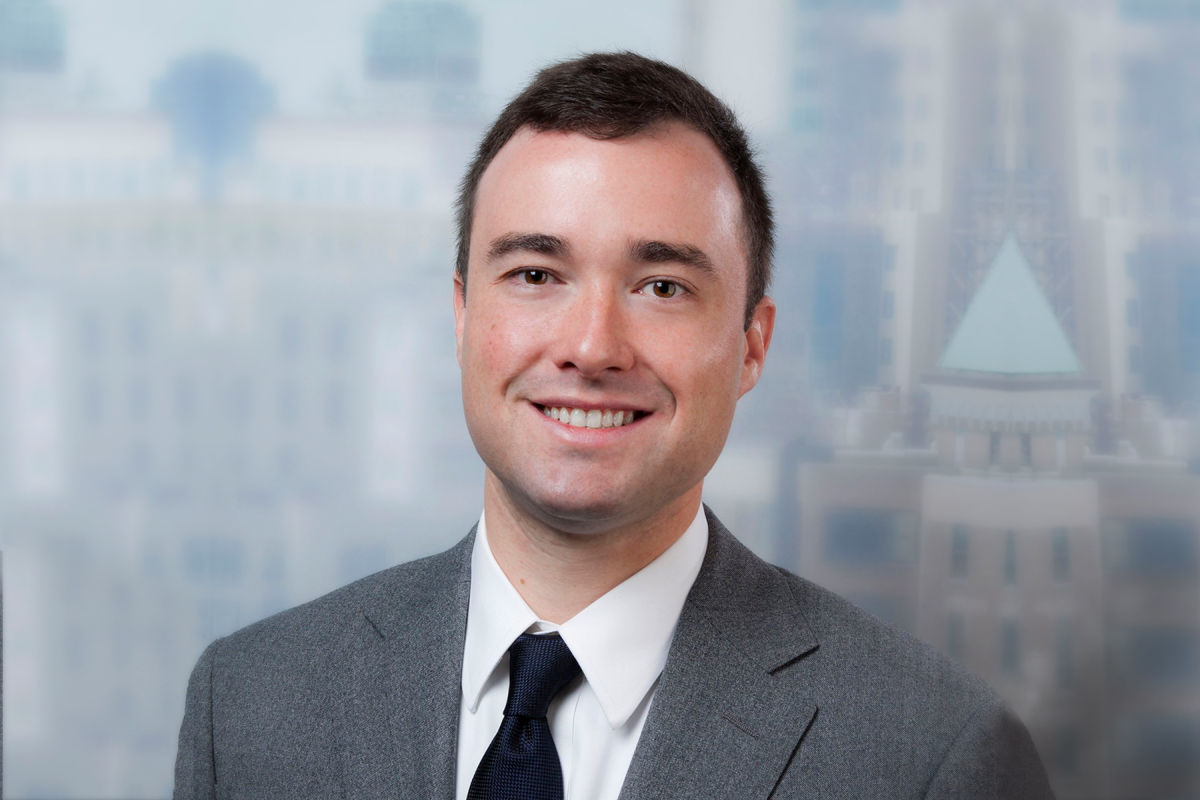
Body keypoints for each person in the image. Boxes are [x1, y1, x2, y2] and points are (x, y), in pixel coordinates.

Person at [174, 51, 1055, 799]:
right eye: (535, 275)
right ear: (462, 315)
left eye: (662, 287)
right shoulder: (249, 706)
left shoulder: (933, 755)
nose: (592, 347)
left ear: (752, 347)